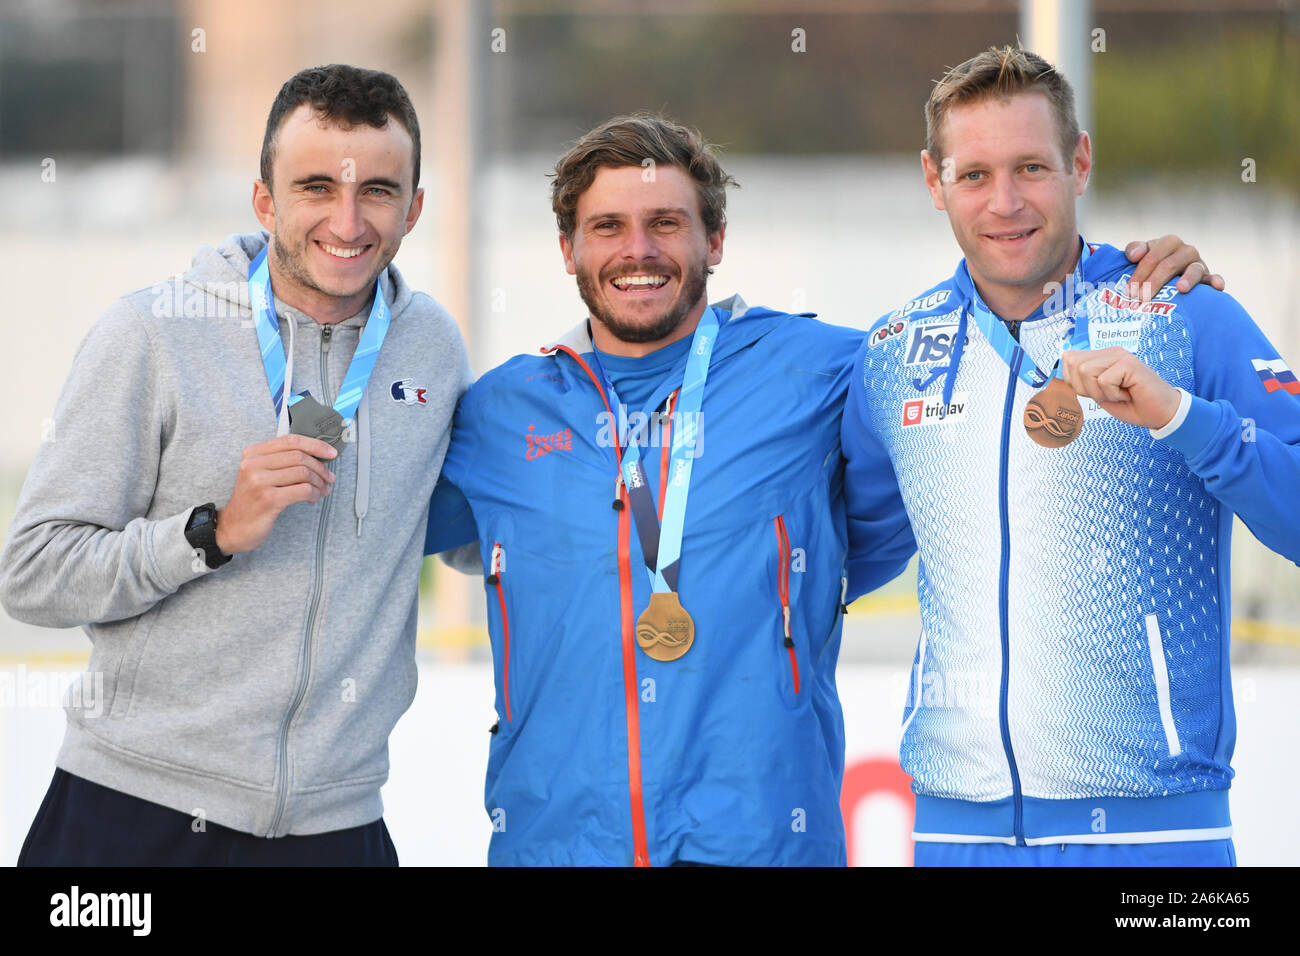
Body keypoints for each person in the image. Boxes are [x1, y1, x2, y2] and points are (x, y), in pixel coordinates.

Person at [424, 112, 1214, 866]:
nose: (639, 250)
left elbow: (985, 350)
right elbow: (375, 527)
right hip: (555, 843)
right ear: (567, 248)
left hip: (762, 843)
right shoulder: (500, 412)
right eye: (607, 227)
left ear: (716, 240)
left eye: (667, 223)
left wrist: (1122, 275)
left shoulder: (821, 368)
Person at [841, 46, 1300, 866]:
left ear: (1079, 162)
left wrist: (1182, 420)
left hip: (1159, 833)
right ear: (932, 179)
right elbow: (836, 553)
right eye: (974, 174)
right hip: (955, 831)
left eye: (1031, 167)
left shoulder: (1182, 315)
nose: (1006, 202)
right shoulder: (892, 351)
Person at [0, 64, 470, 865]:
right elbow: (33, 573)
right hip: (132, 811)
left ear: (415, 207)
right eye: (316, 186)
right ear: (265, 201)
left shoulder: (433, 345)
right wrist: (207, 534)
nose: (348, 221)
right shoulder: (151, 333)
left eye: (379, 192)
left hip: (337, 824)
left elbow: (469, 529)